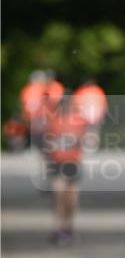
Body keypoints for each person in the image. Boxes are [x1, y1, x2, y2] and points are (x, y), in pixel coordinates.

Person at [42, 91, 88, 244]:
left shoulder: (80, 121)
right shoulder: (53, 121)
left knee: (72, 198)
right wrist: (47, 160)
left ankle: (69, 227)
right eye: (64, 103)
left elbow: (86, 140)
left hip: (73, 162)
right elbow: (46, 143)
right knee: (58, 194)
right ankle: (58, 228)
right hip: (57, 162)